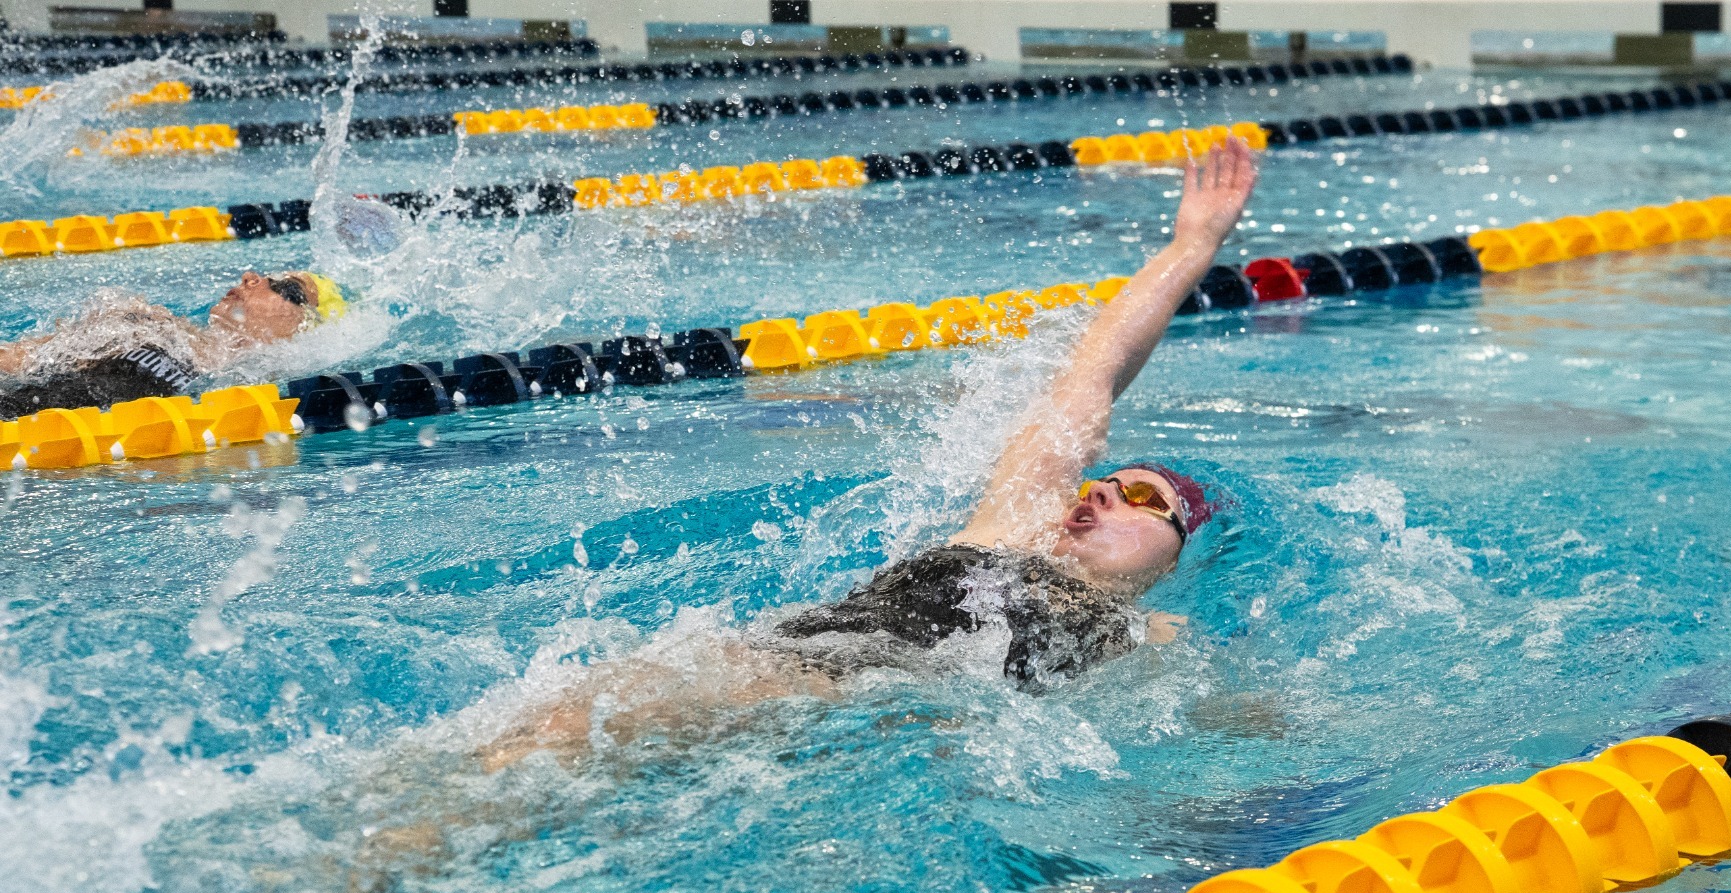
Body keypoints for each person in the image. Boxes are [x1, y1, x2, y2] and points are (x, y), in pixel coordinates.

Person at [475, 136, 1260, 772]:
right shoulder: (1014, 528)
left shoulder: (1153, 641)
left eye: (1143, 499)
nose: (1101, 495)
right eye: (1103, 483)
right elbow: (1094, 374)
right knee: (530, 749)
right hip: (787, 672)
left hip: (869, 733)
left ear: (1175, 558)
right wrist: (1192, 245)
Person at [0, 269, 345, 417]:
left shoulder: (242, 393)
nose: (252, 277)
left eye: (286, 288)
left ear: (303, 329)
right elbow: (19, 358)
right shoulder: (153, 322)